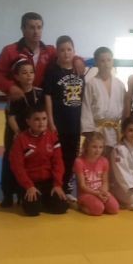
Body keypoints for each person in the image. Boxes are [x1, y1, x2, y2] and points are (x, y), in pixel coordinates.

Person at [0, 12, 84, 99]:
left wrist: (77, 60)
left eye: (39, 27)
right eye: (32, 28)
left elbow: (65, 57)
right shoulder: (10, 51)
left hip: (43, 101)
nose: (36, 31)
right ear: (23, 29)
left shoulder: (50, 51)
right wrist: (10, 87)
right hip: (19, 99)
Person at [0, 59, 45, 207]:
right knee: (11, 162)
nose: (29, 75)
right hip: (15, 133)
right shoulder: (14, 94)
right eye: (24, 73)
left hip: (33, 133)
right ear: (17, 76)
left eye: (31, 72)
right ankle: (7, 195)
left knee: (30, 162)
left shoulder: (39, 93)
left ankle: (23, 191)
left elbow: (43, 114)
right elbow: (10, 117)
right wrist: (19, 133)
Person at [8, 108, 68, 216]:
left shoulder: (52, 137)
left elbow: (58, 162)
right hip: (30, 182)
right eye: (37, 119)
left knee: (61, 207)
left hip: (48, 182)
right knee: (32, 210)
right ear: (28, 121)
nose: (41, 122)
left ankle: (43, 200)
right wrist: (29, 186)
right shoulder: (21, 140)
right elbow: (17, 167)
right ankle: (35, 200)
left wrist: (57, 184)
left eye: (44, 119)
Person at [44, 35, 84, 194]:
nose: (66, 53)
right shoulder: (52, 72)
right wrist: (50, 121)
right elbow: (48, 96)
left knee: (71, 156)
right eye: (62, 50)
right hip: (59, 123)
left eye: (69, 49)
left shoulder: (79, 71)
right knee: (57, 156)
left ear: (74, 51)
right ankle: (56, 185)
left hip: (75, 123)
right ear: (57, 52)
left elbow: (83, 97)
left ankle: (67, 184)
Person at [81, 46, 126, 151]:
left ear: (112, 61)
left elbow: (125, 109)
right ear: (96, 63)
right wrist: (90, 134)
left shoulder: (120, 85)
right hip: (97, 132)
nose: (106, 64)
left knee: (115, 159)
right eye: (102, 61)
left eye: (109, 60)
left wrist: (124, 129)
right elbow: (86, 109)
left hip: (116, 131)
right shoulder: (91, 84)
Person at [73, 132, 119, 216]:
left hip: (99, 192)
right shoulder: (79, 161)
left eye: (100, 147)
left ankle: (98, 203)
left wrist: (104, 192)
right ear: (87, 146)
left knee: (114, 208)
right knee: (98, 210)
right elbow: (82, 186)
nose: (98, 150)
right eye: (94, 147)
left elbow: (105, 181)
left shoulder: (104, 161)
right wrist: (97, 194)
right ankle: (81, 206)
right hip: (86, 193)